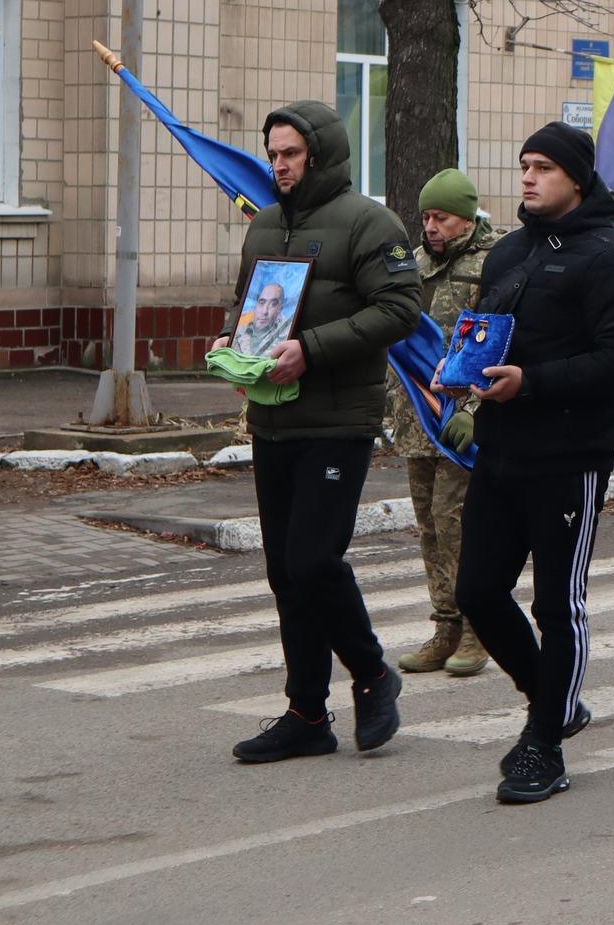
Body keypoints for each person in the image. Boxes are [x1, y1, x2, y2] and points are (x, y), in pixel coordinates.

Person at [445, 123, 614, 805]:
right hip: (500, 445)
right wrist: (459, 372)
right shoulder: (509, 251)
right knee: (476, 590)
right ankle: (553, 698)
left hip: (570, 453)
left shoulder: (610, 254)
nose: (528, 177)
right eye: (523, 165)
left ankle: (544, 741)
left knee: (556, 601)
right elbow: (483, 334)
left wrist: (530, 380)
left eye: (542, 167)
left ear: (577, 177)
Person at [216, 100, 421, 765]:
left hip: (338, 418)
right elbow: (252, 303)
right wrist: (234, 336)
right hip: (274, 413)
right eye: (273, 153)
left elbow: (399, 307)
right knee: (285, 571)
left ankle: (372, 673)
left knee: (312, 560)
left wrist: (311, 347)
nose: (279, 164)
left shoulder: (369, 222)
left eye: (291, 153)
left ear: (320, 155)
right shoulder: (266, 223)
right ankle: (307, 710)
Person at [389, 168, 498, 678]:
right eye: (426, 216)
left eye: (443, 217)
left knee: (458, 521)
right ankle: (445, 625)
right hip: (418, 418)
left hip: (463, 418)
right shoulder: (412, 267)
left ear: (467, 217)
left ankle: (479, 630)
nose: (431, 226)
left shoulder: (491, 264)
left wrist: (476, 412)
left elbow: (495, 343)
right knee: (430, 524)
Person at [234, 280, 293, 357]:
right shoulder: (239, 332)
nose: (265, 311)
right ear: (256, 305)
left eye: (273, 304)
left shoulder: (287, 336)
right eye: (262, 302)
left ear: (280, 309)